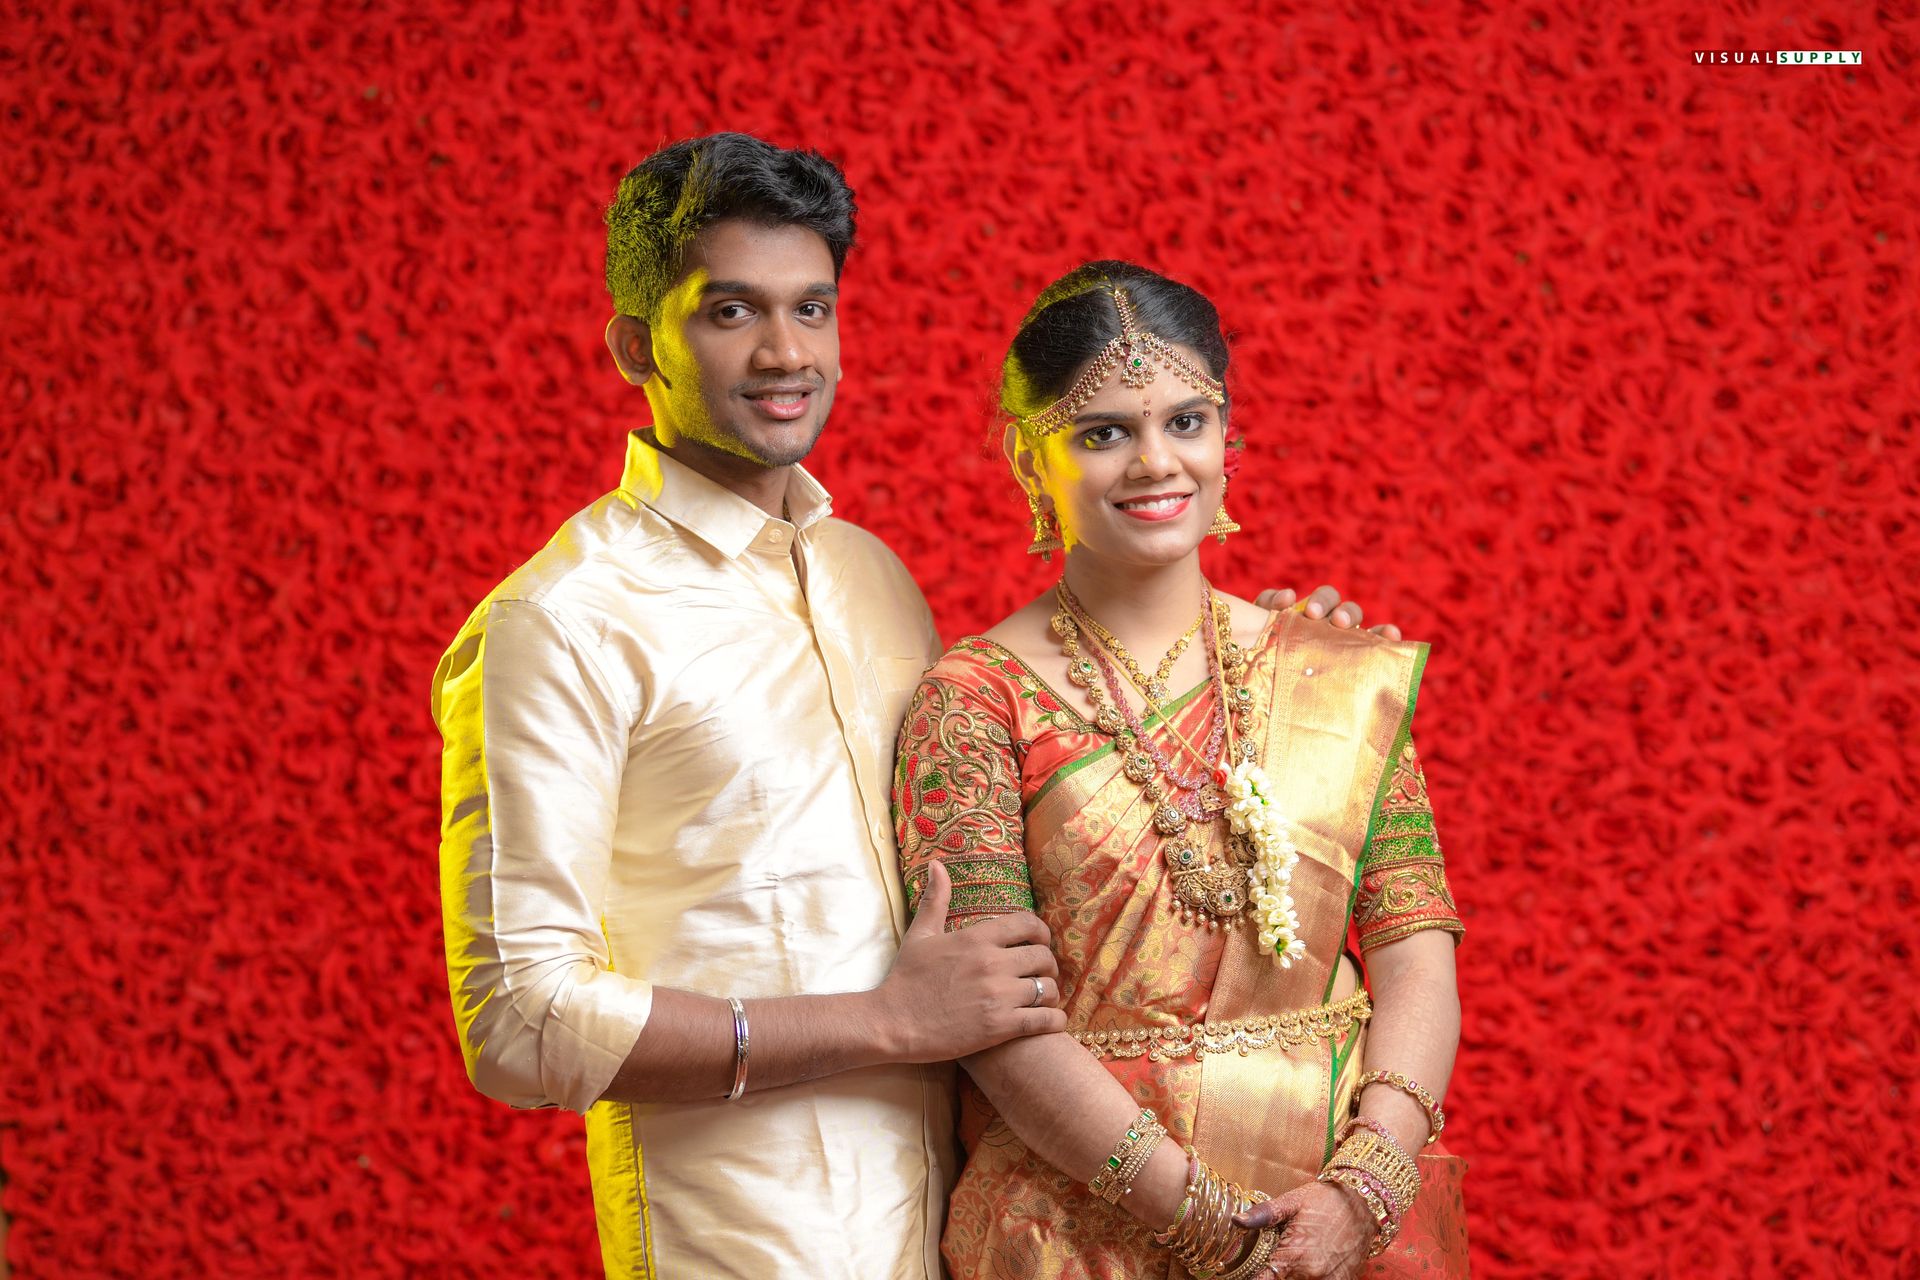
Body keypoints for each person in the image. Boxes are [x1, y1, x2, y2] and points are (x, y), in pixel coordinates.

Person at [432, 134, 1394, 1279]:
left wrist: (1264, 679)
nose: (786, 352)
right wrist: (885, 1022)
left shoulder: (871, 580)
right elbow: (520, 1020)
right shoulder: (563, 620)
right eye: (731, 312)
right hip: (746, 1243)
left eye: (812, 308)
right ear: (638, 345)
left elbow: (1049, 837)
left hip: (968, 1233)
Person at [893, 262, 1469, 1279]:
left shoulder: (1330, 671)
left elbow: (1415, 946)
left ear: (1225, 436)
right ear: (1030, 459)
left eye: (1186, 421)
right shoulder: (975, 700)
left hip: (1340, 1217)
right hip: (1079, 1225)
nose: (1156, 462)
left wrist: (1366, 1182)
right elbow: (991, 1015)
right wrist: (1205, 1223)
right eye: (1103, 433)